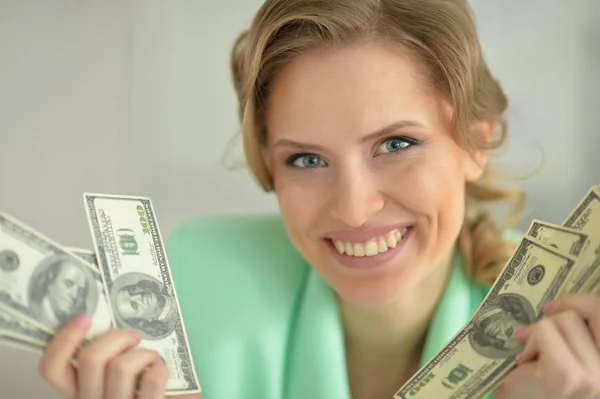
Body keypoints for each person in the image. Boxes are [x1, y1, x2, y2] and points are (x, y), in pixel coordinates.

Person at [37, 1, 600, 398]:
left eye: (395, 144)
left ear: (478, 138)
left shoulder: (577, 341)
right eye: (306, 160)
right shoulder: (184, 293)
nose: (353, 209)